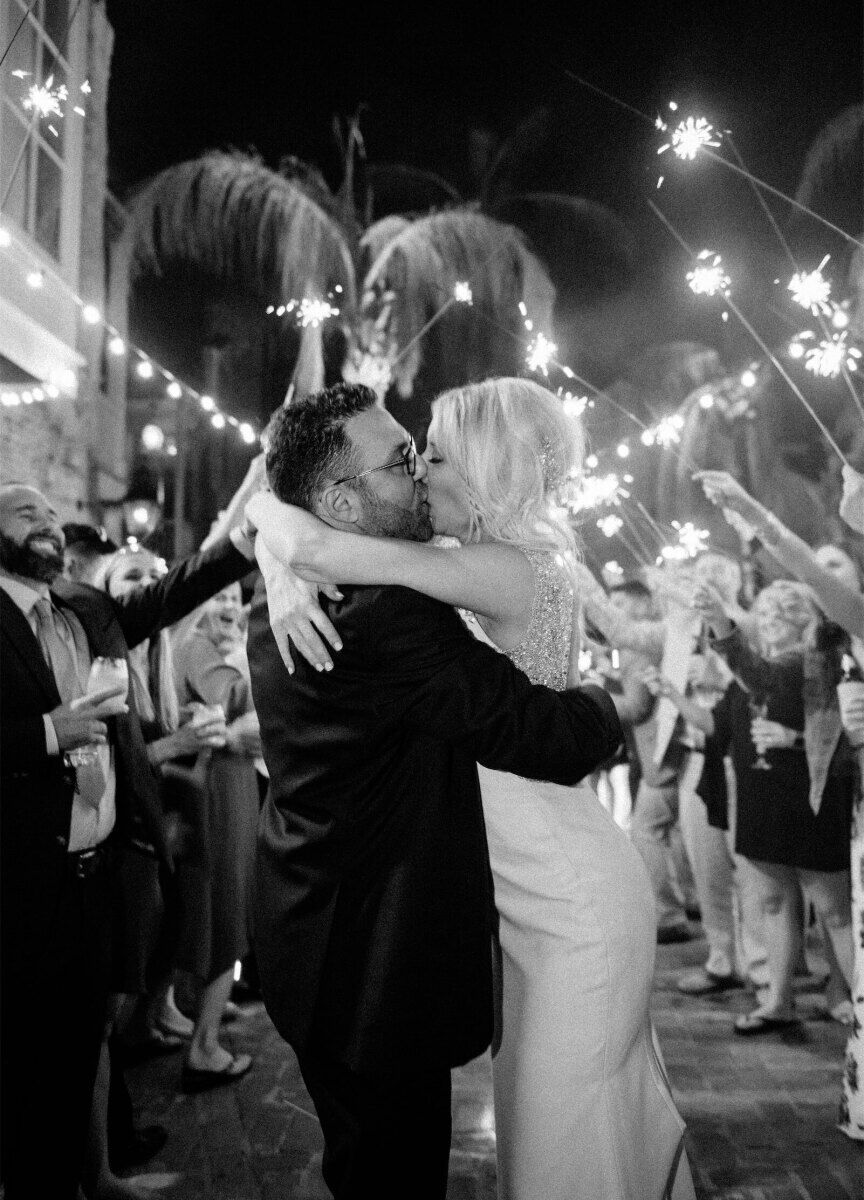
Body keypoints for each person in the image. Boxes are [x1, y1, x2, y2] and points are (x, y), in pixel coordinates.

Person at [247, 379, 693, 1200]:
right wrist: (277, 540)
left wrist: (277, 536)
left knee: (561, 1146)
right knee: (545, 1141)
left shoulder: (457, 573)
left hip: (562, 899)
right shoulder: (416, 590)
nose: (419, 473)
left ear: (490, 471)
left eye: (431, 455)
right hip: (468, 918)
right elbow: (310, 536)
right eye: (410, 459)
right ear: (343, 497)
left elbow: (315, 540)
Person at [0, 482, 257, 1200]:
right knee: (28, 1075)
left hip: (101, 869)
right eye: (27, 515)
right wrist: (48, 733)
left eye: (51, 514)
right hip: (23, 880)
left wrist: (244, 541)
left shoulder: (86, 607)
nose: (47, 523)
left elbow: (176, 592)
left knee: (86, 1044)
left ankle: (94, 1176)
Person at [693, 579, 855, 1034]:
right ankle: (778, 1001)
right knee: (772, 898)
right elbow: (750, 678)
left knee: (833, 907)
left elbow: (849, 736)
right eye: (763, 616)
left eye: (780, 616)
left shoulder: (822, 664)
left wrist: (795, 738)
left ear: (804, 621)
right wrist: (718, 621)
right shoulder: (762, 666)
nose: (770, 624)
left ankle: (859, 1003)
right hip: (764, 789)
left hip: (812, 793)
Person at [172, 582, 261, 1088]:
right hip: (222, 786)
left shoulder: (208, 647)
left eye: (234, 597)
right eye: (218, 596)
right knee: (226, 907)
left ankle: (205, 1015)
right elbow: (237, 696)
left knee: (227, 900)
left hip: (232, 780)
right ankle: (204, 1046)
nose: (229, 605)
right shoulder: (196, 647)